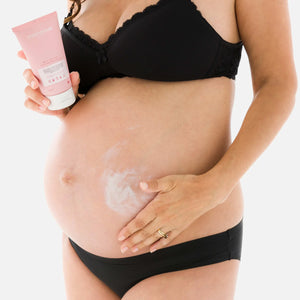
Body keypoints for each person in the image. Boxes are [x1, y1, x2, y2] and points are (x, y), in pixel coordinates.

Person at [18, 0, 297, 299]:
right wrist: (60, 100)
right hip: (81, 251)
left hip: (181, 248)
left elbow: (278, 84)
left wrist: (217, 186)